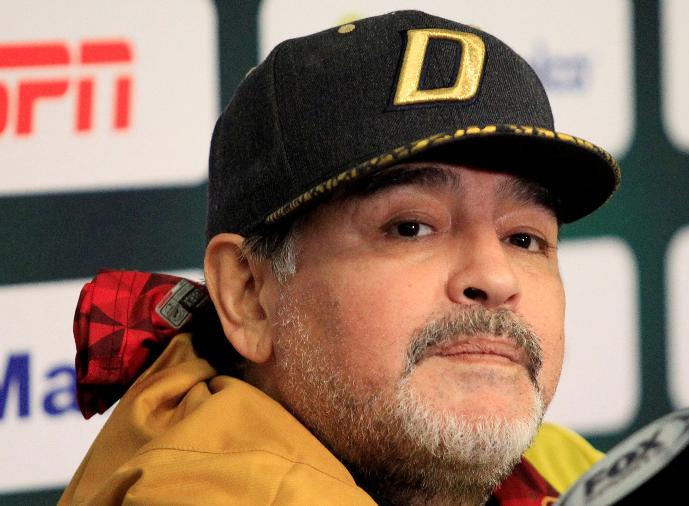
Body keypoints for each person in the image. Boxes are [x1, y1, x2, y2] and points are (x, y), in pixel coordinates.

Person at [61, 10, 620, 505]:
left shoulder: (561, 469)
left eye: (524, 239)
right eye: (410, 228)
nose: (495, 277)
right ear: (249, 295)